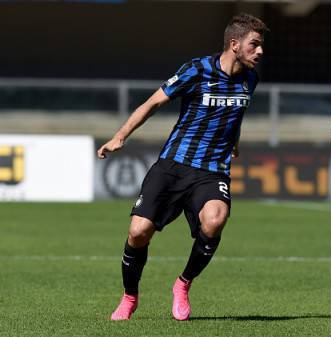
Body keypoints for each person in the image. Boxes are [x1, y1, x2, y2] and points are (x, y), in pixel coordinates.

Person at [97, 13, 269, 321]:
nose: (260, 51)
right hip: (173, 165)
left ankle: (183, 284)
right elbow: (152, 103)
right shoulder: (196, 70)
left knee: (215, 221)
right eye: (254, 44)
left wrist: (235, 141)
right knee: (138, 232)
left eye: (261, 45)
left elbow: (234, 115)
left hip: (212, 170)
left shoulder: (251, 79)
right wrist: (119, 137)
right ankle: (129, 297)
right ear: (234, 44)